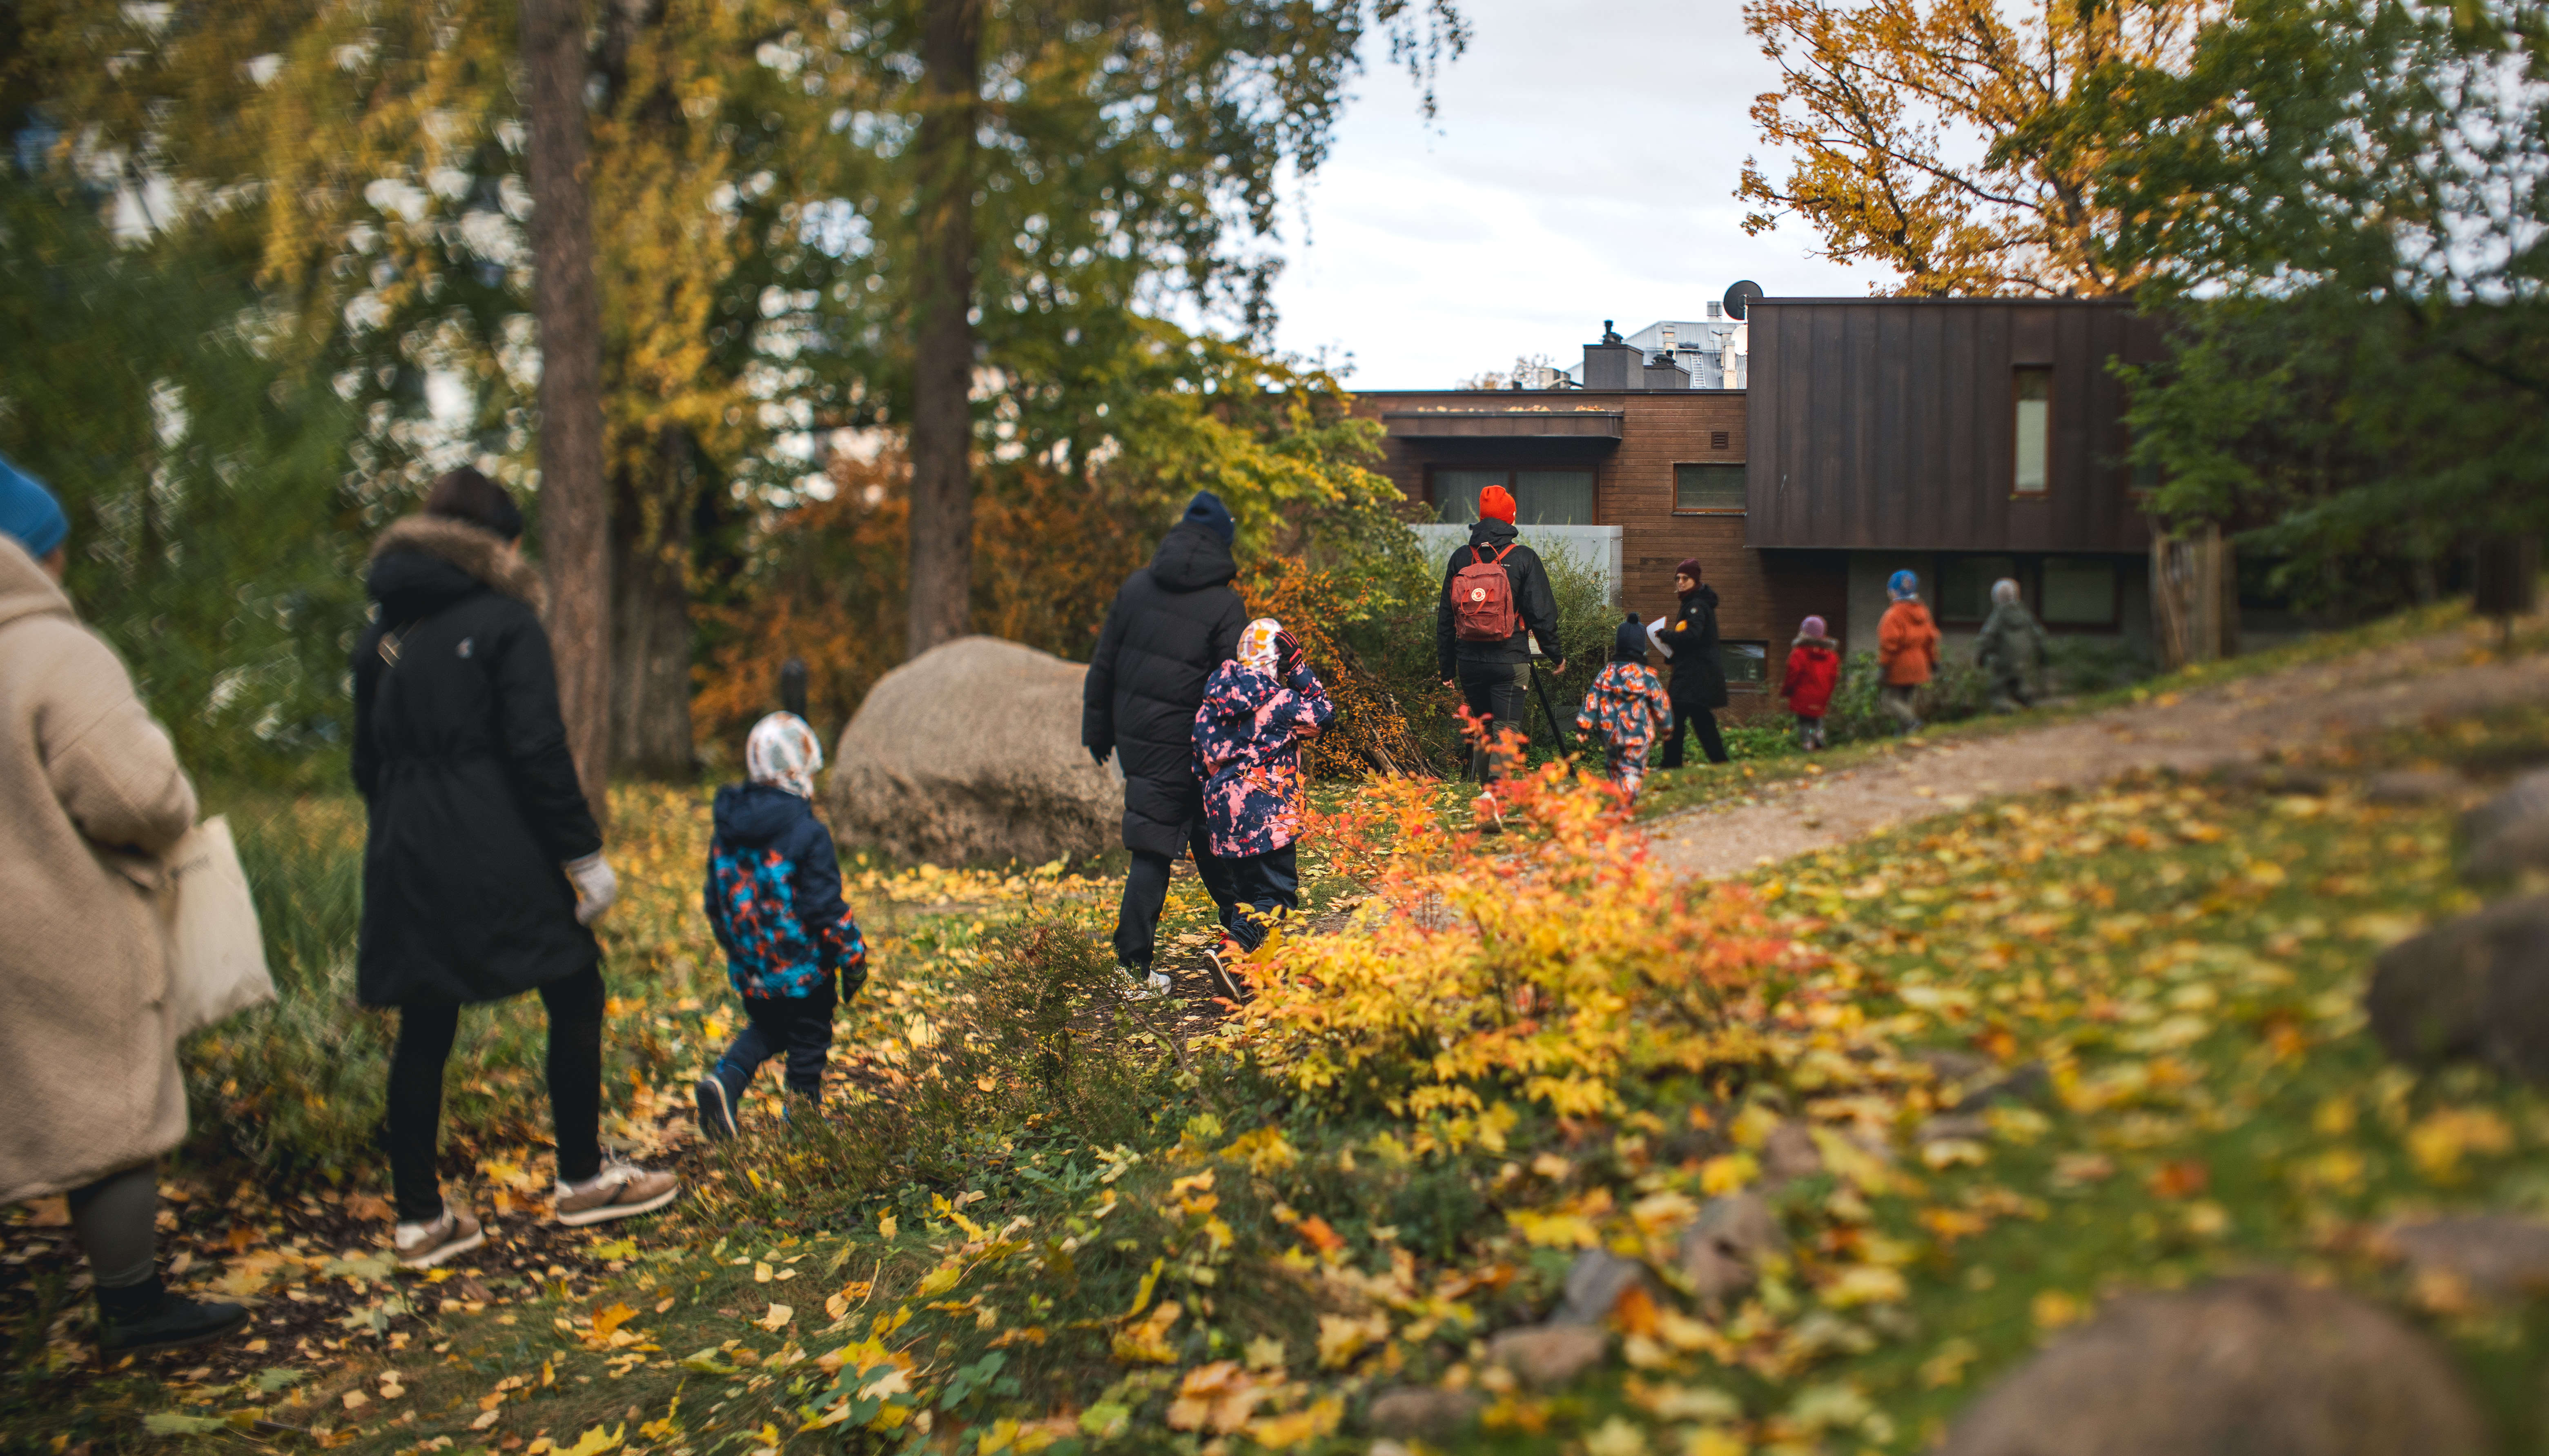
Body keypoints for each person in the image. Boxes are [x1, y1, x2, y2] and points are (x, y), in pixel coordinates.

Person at [354, 468, 679, 1267]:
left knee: (425, 1022)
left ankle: (420, 1221)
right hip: (490, 841)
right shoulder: (506, 622)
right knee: (574, 981)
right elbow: (536, 749)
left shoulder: (379, 637)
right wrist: (585, 856)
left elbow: (365, 764)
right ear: (501, 544)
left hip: (401, 847)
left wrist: (406, 820)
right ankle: (581, 1177)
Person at [0, 456, 249, 1355]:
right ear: (41, 551)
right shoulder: (49, 651)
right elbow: (136, 793)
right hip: (55, 926)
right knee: (105, 1102)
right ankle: (132, 1301)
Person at [1083, 490, 1247, 999]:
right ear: (1222, 542)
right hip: (1194, 747)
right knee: (1183, 843)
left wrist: (1097, 731)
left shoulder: (1135, 587)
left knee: (1183, 836)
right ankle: (1239, 939)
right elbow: (1235, 685)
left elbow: (1103, 663)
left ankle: (1240, 936)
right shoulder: (1224, 603)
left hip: (1141, 743)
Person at [696, 712, 869, 1141]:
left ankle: (726, 1081)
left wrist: (741, 952)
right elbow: (824, 908)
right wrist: (853, 956)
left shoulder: (727, 833)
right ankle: (802, 1123)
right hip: (806, 967)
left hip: (754, 967)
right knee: (810, 1035)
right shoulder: (807, 832)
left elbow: (715, 903)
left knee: (768, 1028)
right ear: (797, 771)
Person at [1192, 618, 1334, 1002]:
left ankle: (1242, 974)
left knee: (1245, 895)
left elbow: (1197, 761)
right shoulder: (1282, 701)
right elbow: (1324, 714)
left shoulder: (1211, 704)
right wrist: (1299, 669)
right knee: (1277, 895)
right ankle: (1231, 952)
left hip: (1222, 820)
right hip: (1267, 817)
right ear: (1276, 661)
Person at [1434, 483, 1566, 790]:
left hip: (1468, 661)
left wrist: (1446, 666)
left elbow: (1445, 617)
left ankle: (1487, 797)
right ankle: (1494, 795)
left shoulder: (1460, 558)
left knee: (1483, 729)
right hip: (1510, 660)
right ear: (1511, 519)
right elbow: (1542, 614)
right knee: (1506, 729)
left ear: (1481, 518)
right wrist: (1555, 654)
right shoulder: (1522, 558)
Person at [1574, 612, 1672, 803]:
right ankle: (1627, 798)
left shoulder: (1607, 673)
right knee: (1633, 767)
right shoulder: (1647, 676)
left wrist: (1583, 727)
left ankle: (1621, 793)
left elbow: (1592, 698)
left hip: (1610, 733)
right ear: (1642, 649)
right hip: (1638, 732)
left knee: (1614, 766)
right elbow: (1661, 703)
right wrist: (1667, 728)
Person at [1657, 559, 1730, 768]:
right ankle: (1718, 762)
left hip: (1694, 676)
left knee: (1683, 718)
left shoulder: (1696, 606)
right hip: (1695, 674)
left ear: (1695, 580)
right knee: (1698, 719)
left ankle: (1673, 763)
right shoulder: (1693, 603)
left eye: (1685, 578)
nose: (1680, 582)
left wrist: (1665, 635)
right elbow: (1693, 641)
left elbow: (1692, 636)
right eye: (1678, 578)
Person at [1876, 569, 1941, 734]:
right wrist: (1934, 662)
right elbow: (1930, 640)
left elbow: (1889, 645)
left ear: (1894, 592)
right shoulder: (1923, 612)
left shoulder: (1893, 615)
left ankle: (1913, 722)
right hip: (1919, 664)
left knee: (1889, 700)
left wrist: (1883, 666)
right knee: (1906, 699)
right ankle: (1903, 733)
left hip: (1900, 665)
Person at [1974, 578, 2050, 713]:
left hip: (2004, 660)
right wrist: (2042, 654)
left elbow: (1987, 638)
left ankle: (2003, 708)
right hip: (2024, 659)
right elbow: (2038, 635)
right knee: (2017, 681)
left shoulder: (1998, 616)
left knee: (1996, 688)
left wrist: (1981, 656)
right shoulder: (2026, 615)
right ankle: (2027, 699)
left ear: (1996, 597)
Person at [1780, 614, 1842, 751]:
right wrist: (1828, 692)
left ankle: (1808, 743)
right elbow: (1834, 676)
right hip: (1823, 692)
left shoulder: (1799, 652)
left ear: (1804, 632)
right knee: (1817, 717)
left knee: (1804, 720)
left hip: (1803, 693)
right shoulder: (1832, 655)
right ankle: (1819, 735)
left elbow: (1792, 674)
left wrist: (1787, 690)